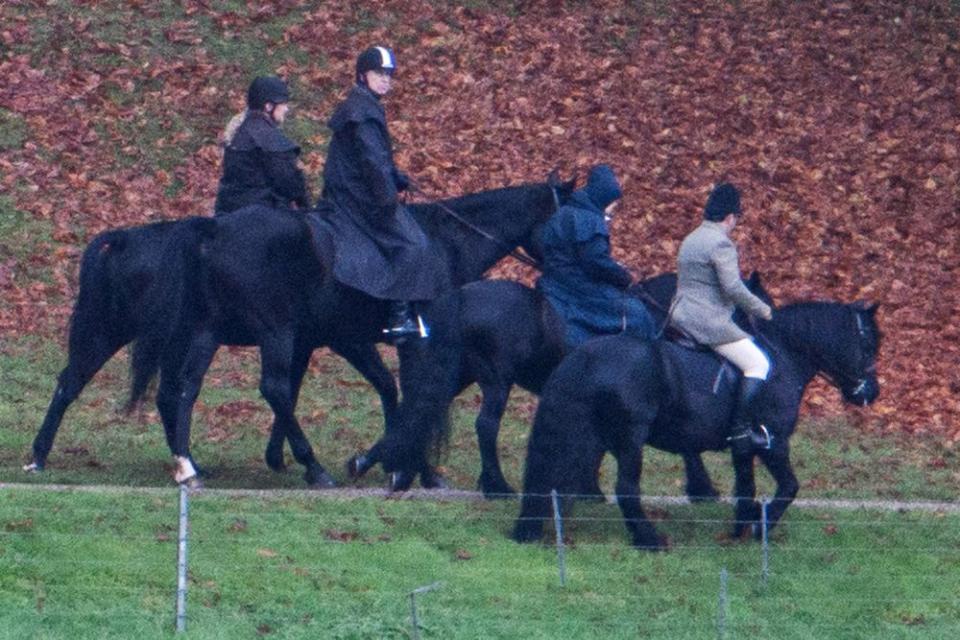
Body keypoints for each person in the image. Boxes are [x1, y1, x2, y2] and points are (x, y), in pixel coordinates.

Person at [319, 46, 448, 343]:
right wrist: (388, 197)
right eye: (380, 74)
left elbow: (375, 160)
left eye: (389, 75)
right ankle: (398, 319)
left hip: (350, 192)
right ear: (363, 75)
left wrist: (396, 176)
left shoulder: (362, 107)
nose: (386, 80)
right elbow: (371, 164)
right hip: (357, 199)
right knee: (414, 243)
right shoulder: (362, 113)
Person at [669, 182, 774, 455]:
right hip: (707, 322)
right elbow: (733, 288)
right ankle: (740, 430)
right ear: (730, 217)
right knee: (758, 363)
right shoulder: (721, 243)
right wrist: (762, 309)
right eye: (736, 219)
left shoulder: (691, 238)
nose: (734, 224)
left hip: (678, 315)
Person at [536, 164, 655, 348]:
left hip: (552, 281)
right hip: (575, 286)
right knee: (636, 313)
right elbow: (595, 263)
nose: (612, 209)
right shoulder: (590, 221)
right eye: (612, 204)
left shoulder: (564, 212)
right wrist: (624, 278)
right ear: (604, 198)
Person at [214, 76, 310, 215]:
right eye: (283, 104)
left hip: (226, 213)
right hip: (260, 219)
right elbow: (293, 187)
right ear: (269, 106)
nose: (287, 109)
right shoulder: (270, 141)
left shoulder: (237, 132)